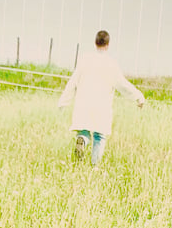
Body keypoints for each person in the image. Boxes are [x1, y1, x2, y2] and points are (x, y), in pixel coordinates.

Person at [58, 30, 145, 165]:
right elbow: (123, 85)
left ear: (95, 42)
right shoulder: (112, 64)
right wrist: (138, 97)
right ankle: (94, 167)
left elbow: (73, 82)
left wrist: (63, 101)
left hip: (84, 103)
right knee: (99, 136)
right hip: (102, 107)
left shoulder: (85, 60)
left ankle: (82, 139)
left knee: (84, 129)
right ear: (108, 44)